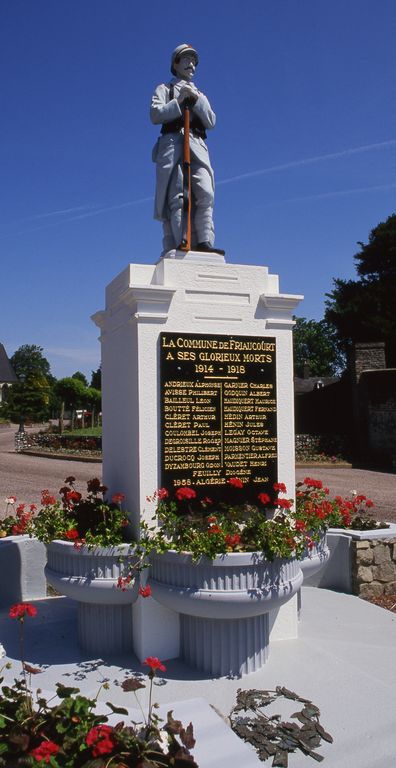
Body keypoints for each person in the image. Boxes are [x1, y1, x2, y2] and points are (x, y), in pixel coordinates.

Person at [151, 43, 223, 255]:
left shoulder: (201, 94)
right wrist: (179, 101)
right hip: (173, 144)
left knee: (206, 193)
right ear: (175, 64)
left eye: (193, 61)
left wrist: (196, 100)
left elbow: (211, 121)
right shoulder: (165, 89)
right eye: (186, 59)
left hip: (197, 144)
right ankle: (180, 243)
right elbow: (155, 114)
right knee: (177, 196)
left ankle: (205, 241)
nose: (191, 64)